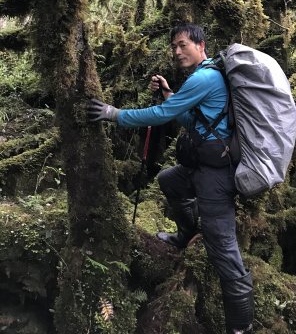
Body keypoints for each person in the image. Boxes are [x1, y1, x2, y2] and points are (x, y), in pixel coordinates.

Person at [88, 23, 253, 334]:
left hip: (215, 176)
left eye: (183, 45)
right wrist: (168, 93)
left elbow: (162, 115)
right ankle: (185, 235)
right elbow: (191, 117)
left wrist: (115, 114)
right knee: (169, 180)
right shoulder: (205, 78)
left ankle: (240, 327)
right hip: (199, 169)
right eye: (174, 47)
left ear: (200, 45)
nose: (177, 51)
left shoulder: (204, 77)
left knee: (223, 249)